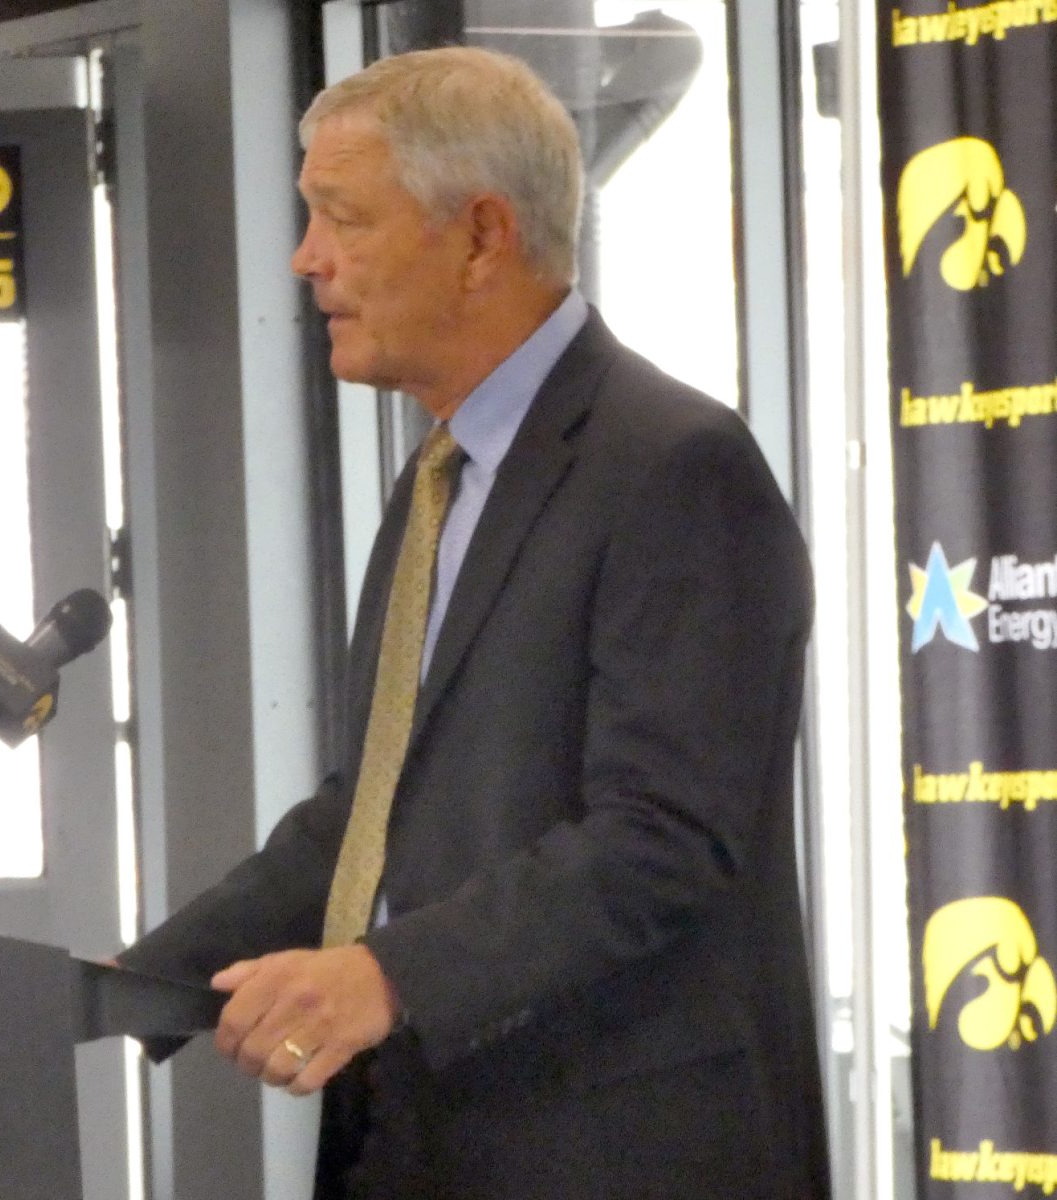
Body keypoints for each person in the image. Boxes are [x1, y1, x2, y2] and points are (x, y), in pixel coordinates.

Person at [118, 45, 828, 1200]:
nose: (307, 261)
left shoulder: (677, 465)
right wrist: (122, 985)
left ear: (483, 237)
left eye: (339, 218)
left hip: (616, 1159)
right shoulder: (437, 477)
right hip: (420, 1148)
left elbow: (665, 836)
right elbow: (369, 814)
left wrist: (383, 978)